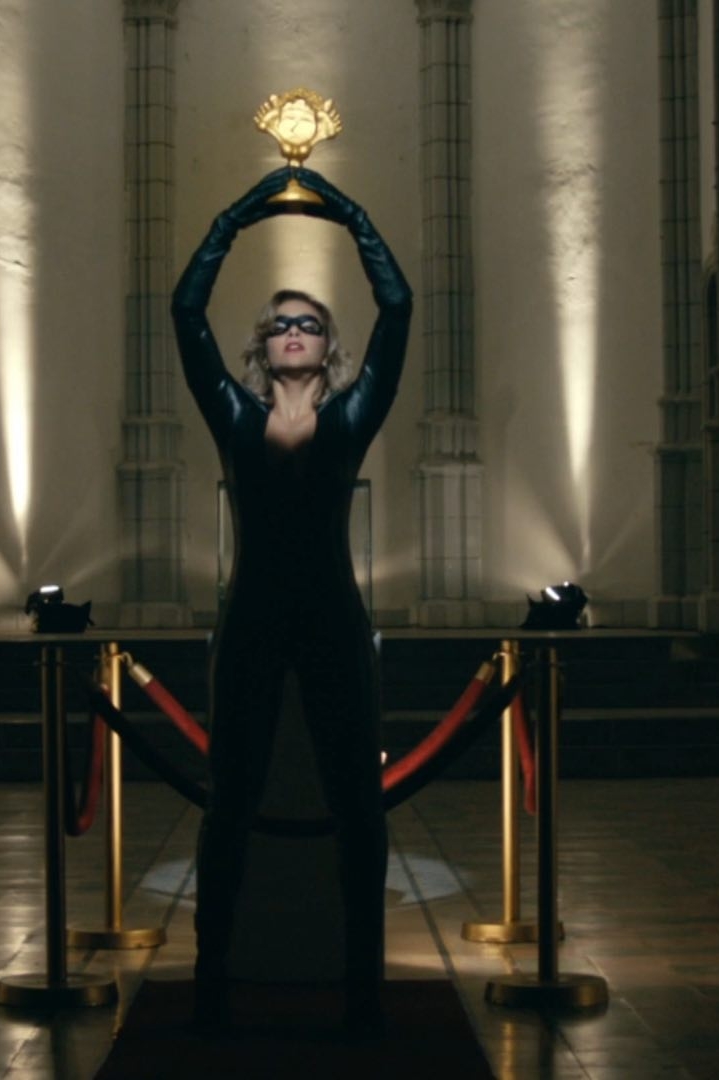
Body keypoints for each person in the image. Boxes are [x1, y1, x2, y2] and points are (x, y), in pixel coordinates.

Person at [171, 166, 412, 1036]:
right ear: (263, 347)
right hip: (252, 622)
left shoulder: (351, 419)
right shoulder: (233, 417)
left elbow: (399, 306)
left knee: (358, 808)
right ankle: (210, 984)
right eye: (281, 323)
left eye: (310, 323)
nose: (296, 332)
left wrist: (348, 214)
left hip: (334, 622)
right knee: (230, 804)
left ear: (327, 345)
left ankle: (363, 990)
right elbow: (184, 310)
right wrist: (236, 216)